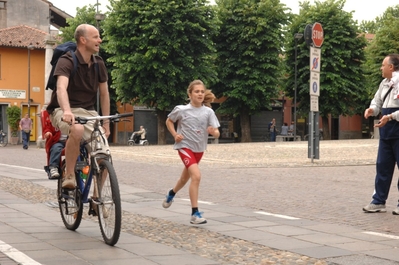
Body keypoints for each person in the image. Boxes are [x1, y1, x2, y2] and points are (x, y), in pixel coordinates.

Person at [46, 24, 110, 189]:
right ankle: (70, 175)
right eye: (96, 36)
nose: (100, 40)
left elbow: (104, 94)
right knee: (77, 129)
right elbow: (61, 88)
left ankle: (98, 197)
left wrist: (106, 123)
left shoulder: (98, 63)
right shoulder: (66, 60)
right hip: (62, 109)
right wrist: (67, 111)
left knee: (104, 156)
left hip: (88, 112)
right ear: (83, 40)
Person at [162, 80, 220, 224]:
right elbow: (169, 121)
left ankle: (171, 193)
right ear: (190, 94)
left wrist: (214, 132)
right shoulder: (181, 110)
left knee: (184, 179)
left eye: (202, 91)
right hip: (184, 147)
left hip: (199, 149)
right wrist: (175, 135)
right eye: (196, 91)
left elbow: (217, 133)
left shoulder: (208, 112)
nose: (200, 94)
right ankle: (195, 214)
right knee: (196, 176)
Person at [363, 53, 399, 215]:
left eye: (383, 65)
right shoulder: (384, 84)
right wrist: (372, 110)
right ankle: (378, 201)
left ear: (391, 67)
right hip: (386, 132)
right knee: (382, 167)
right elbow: (377, 101)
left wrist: (391, 116)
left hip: (396, 128)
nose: (381, 68)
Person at [41, 109, 66, 179]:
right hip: (58, 141)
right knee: (56, 148)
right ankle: (53, 167)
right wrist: (48, 132)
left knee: (80, 148)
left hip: (71, 140)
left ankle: (82, 166)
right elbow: (47, 127)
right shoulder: (53, 117)